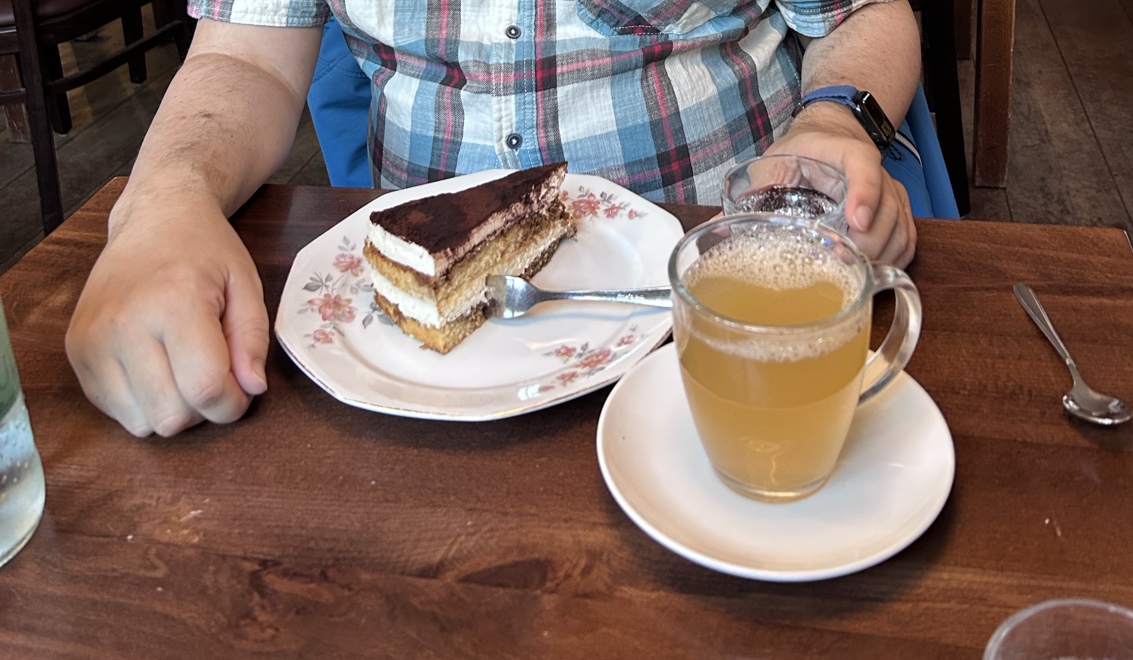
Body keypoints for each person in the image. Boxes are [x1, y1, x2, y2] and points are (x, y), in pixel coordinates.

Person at [65, 0, 923, 437]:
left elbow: (860, 12)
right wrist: (164, 201)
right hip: (415, 375)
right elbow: (246, 57)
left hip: (726, 323)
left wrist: (835, 122)